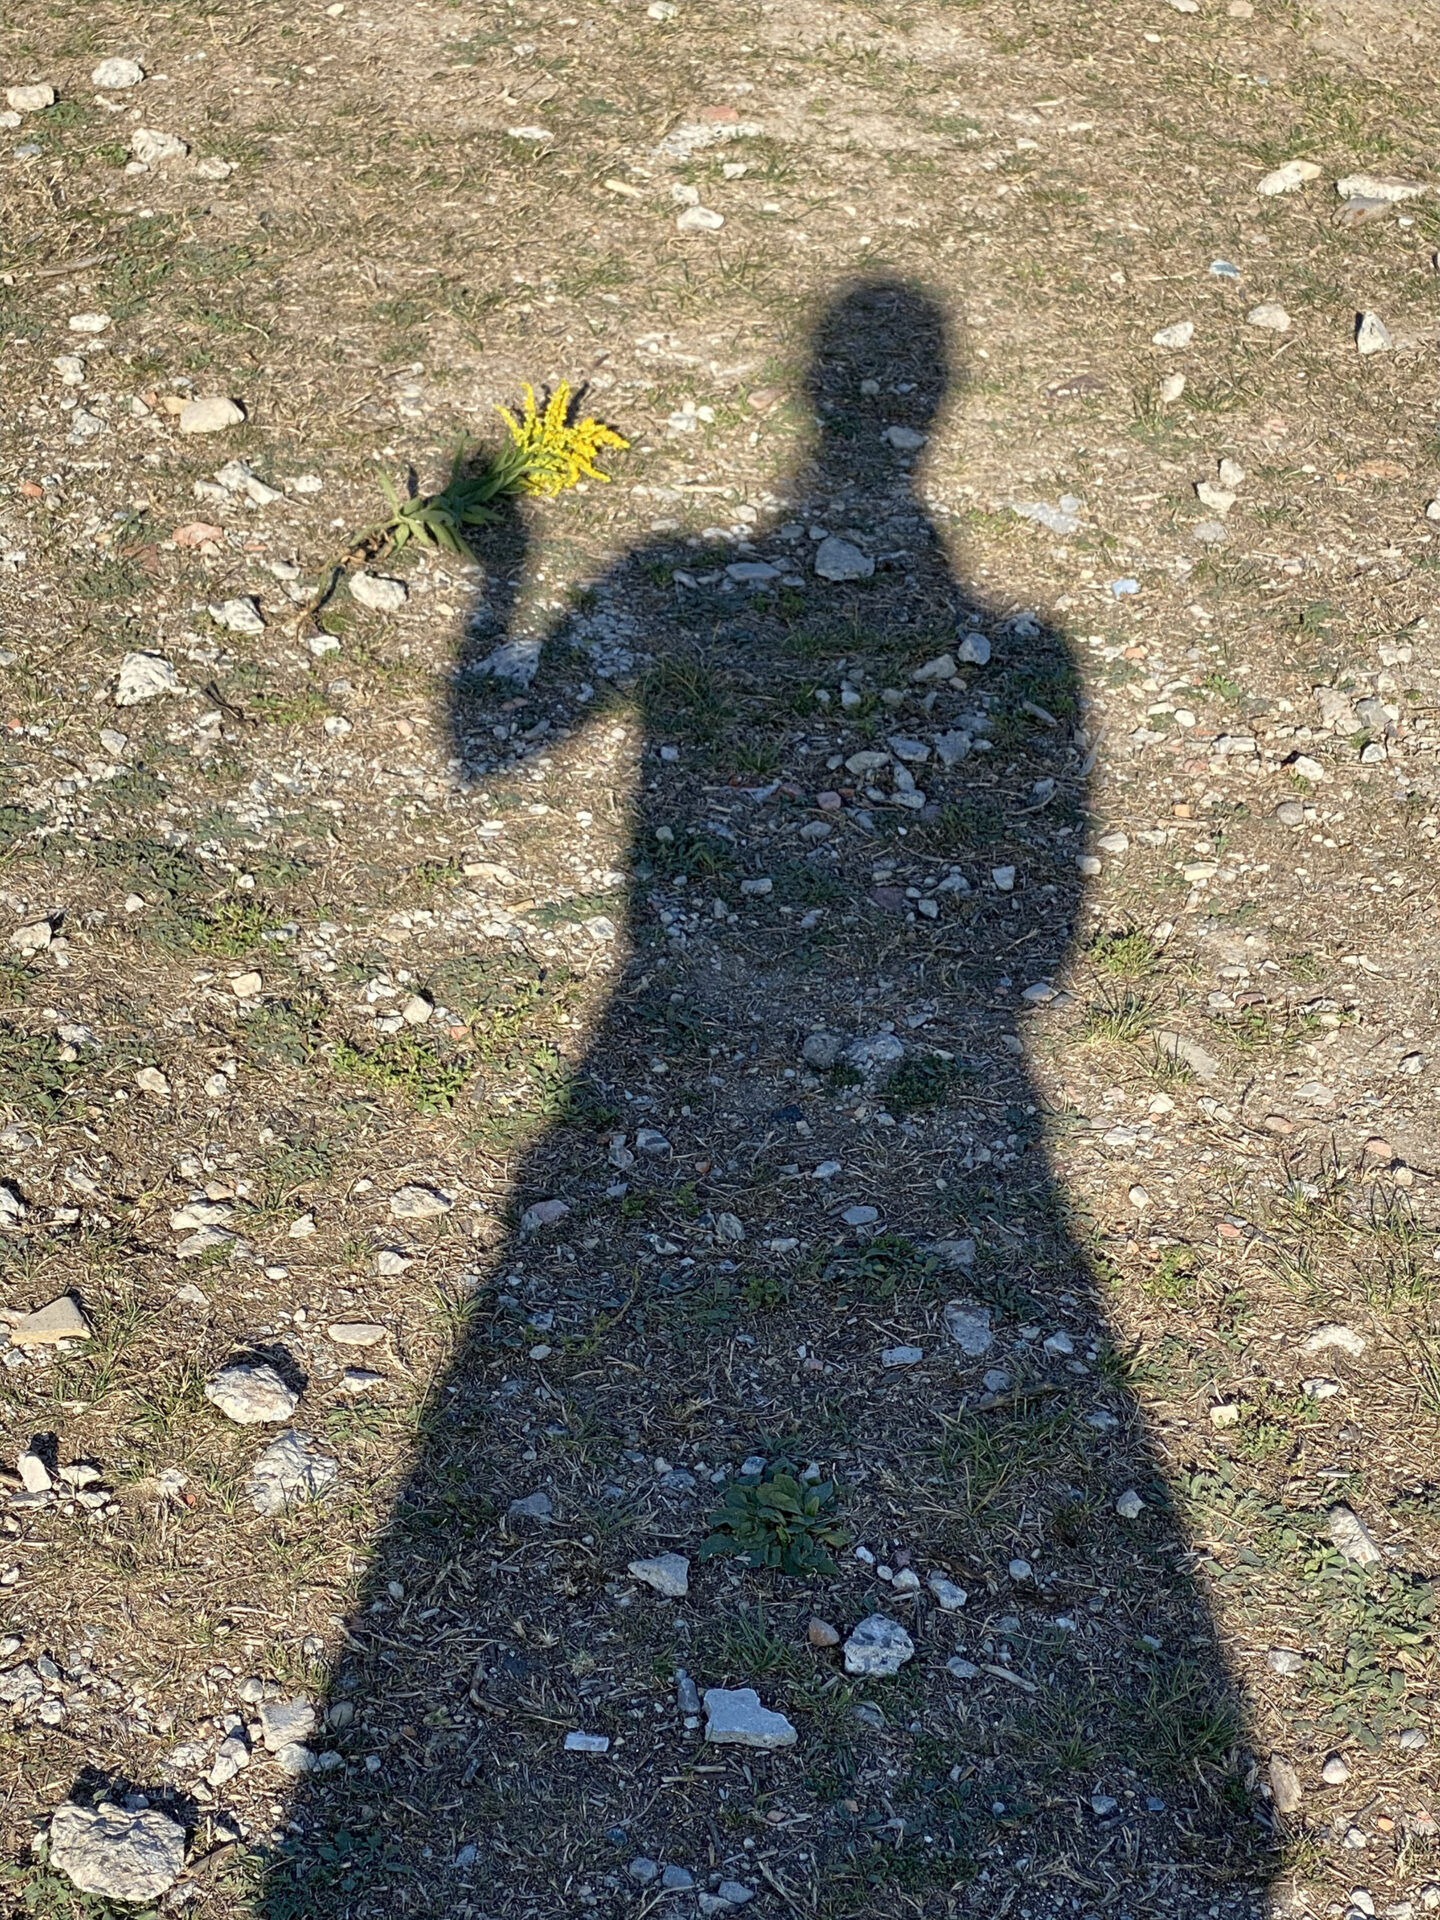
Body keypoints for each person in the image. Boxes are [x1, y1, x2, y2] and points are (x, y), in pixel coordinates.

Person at [265, 279, 1264, 1919]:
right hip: (950, 1102)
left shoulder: (675, 585)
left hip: (657, 1039)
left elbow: (481, 748)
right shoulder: (1035, 659)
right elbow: (1048, 925)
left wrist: (499, 583)